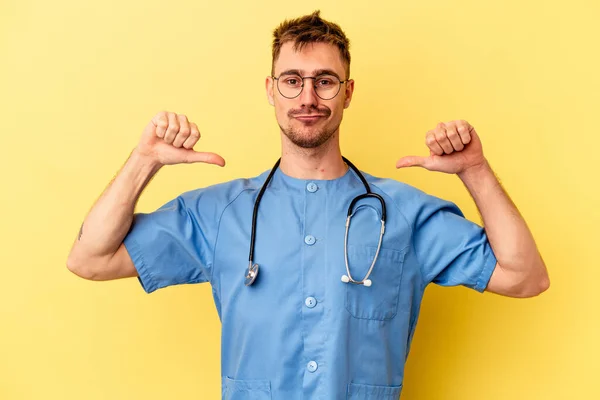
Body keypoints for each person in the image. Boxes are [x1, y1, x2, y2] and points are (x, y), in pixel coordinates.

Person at [66, 10, 549, 399]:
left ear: (348, 92)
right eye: (292, 80)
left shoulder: (404, 213)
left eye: (326, 80)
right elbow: (90, 258)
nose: (308, 96)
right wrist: (144, 161)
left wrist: (475, 172)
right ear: (271, 91)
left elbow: (526, 277)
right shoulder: (218, 213)